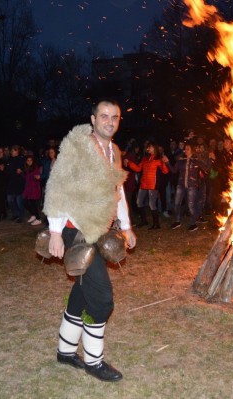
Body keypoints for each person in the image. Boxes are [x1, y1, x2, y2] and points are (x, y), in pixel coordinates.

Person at [44, 99, 136, 382]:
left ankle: (65, 350)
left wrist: (127, 226)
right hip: (76, 231)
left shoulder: (114, 151)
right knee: (102, 298)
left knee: (82, 292)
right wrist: (57, 232)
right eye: (104, 116)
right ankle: (94, 361)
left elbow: (116, 191)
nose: (109, 121)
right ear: (93, 119)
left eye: (115, 117)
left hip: (100, 230)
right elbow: (58, 186)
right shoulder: (77, 147)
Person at [125, 142, 169, 229]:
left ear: (154, 148)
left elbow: (165, 171)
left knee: (152, 204)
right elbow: (138, 169)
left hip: (153, 184)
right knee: (139, 202)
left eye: (150, 147)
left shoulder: (158, 159)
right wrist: (129, 163)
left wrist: (165, 162)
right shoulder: (145, 158)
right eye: (148, 147)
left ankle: (156, 224)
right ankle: (144, 221)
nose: (148, 149)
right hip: (144, 183)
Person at [168, 142, 208, 231]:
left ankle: (193, 223)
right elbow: (174, 170)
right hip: (181, 185)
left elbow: (206, 168)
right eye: (185, 149)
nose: (185, 150)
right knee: (176, 203)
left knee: (191, 205)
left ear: (192, 151)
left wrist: (208, 159)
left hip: (192, 185)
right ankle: (177, 221)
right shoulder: (181, 160)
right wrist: (167, 162)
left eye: (188, 149)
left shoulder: (195, 160)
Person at [22, 155, 43, 225]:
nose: (29, 162)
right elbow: (25, 178)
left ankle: (38, 219)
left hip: (34, 189)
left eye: (31, 160)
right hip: (28, 189)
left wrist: (38, 177)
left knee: (33, 204)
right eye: (28, 160)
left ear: (33, 161)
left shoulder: (35, 168)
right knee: (25, 202)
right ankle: (33, 215)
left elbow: (39, 177)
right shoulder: (26, 169)